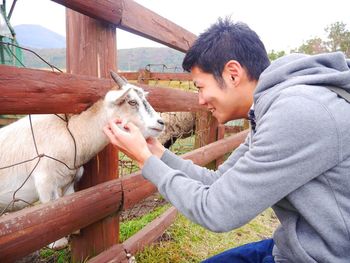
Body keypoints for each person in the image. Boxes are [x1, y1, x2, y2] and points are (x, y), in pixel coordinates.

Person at [103, 17, 350, 263]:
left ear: (233, 74)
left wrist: (145, 160)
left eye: (200, 87)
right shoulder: (272, 108)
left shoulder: (297, 112)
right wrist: (158, 153)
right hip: (297, 246)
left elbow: (217, 211)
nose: (199, 100)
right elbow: (217, 182)